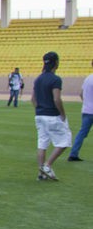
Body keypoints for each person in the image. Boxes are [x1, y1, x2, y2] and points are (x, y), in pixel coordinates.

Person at [32, 51, 71, 181]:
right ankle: (47, 165)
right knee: (65, 141)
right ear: (56, 63)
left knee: (42, 143)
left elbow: (33, 99)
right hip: (52, 115)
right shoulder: (55, 79)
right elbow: (57, 99)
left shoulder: (38, 79)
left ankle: (41, 173)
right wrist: (62, 114)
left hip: (40, 115)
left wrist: (39, 109)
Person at [68, 59, 93, 161]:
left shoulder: (88, 78)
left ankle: (73, 154)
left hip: (86, 110)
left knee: (82, 133)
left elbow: (81, 94)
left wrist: (87, 103)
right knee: (82, 132)